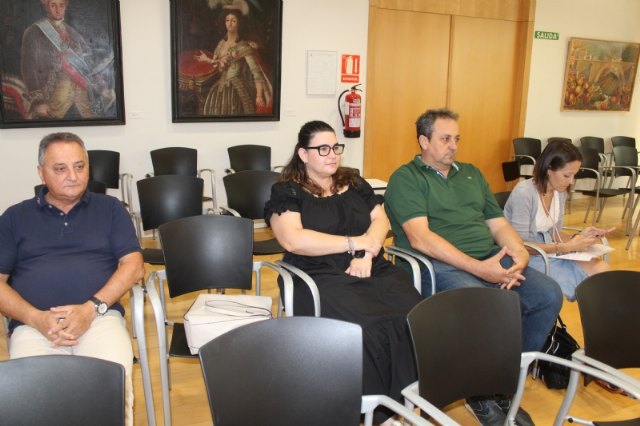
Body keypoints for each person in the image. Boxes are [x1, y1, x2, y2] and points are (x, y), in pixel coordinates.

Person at [384, 108, 563, 426]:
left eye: (457, 138)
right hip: (437, 266)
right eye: (445, 139)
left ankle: (503, 384)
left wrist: (519, 253)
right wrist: (480, 270)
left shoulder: (471, 174)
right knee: (482, 304)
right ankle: (479, 394)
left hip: (490, 256)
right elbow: (421, 238)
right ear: (424, 141)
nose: (453, 145)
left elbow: (498, 224)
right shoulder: (405, 178)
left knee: (547, 294)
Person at [264, 120, 422, 426]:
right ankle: (374, 412)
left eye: (335, 147)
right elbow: (293, 239)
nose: (332, 154)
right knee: (365, 327)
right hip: (316, 272)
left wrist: (366, 252)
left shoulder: (354, 181)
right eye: (322, 149)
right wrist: (354, 243)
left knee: (413, 313)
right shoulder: (287, 190)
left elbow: (381, 221)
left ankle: (403, 402)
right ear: (303, 154)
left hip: (369, 263)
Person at [0, 132, 144, 426]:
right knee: (36, 402)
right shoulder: (14, 217)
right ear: (41, 172)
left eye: (80, 166)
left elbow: (134, 266)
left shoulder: (111, 209)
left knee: (111, 393)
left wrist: (91, 309)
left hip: (100, 317)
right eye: (60, 168)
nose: (73, 176)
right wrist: (36, 318)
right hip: (34, 326)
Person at [504, 140, 611, 301]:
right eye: (567, 175)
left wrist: (580, 237)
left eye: (574, 175)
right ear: (548, 169)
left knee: (602, 270)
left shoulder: (559, 192)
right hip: (524, 256)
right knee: (590, 286)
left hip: (550, 250)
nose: (571, 181)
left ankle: (598, 316)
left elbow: (555, 232)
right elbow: (519, 245)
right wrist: (566, 247)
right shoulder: (524, 193)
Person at [21, 0, 115, 119]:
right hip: (53, 97)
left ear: (65, 7)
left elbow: (87, 64)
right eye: (53, 5)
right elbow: (29, 68)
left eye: (61, 5)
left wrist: (101, 88)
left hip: (82, 96)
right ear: (46, 7)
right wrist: (38, 102)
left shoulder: (73, 33)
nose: (58, 10)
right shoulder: (34, 32)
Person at [194, 7, 273, 116]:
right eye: (227, 20)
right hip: (219, 89)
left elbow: (256, 72)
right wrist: (206, 60)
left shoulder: (243, 46)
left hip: (236, 89)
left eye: (233, 21)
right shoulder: (221, 44)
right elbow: (218, 66)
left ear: (239, 24)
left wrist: (259, 95)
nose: (229, 23)